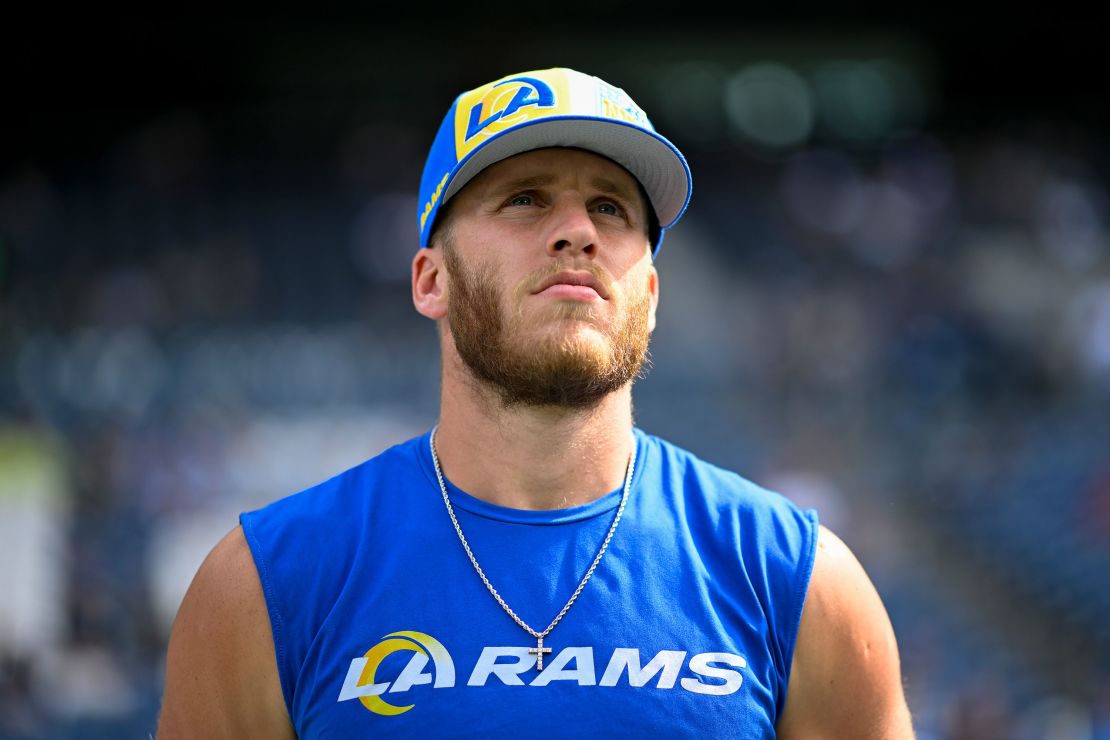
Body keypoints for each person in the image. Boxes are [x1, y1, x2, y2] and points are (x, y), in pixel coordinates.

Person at [158, 67, 914, 738]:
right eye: (525, 199)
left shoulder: (798, 580)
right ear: (430, 280)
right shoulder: (267, 584)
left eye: (612, 209)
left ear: (649, 296)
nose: (578, 232)